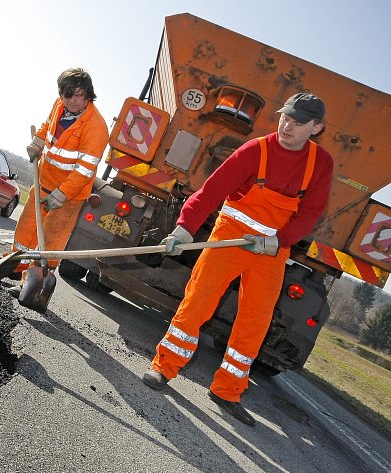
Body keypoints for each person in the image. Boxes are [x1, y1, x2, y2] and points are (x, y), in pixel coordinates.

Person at [142, 92, 334, 426]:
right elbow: (211, 191)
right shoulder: (255, 150)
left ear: (316, 128)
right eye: (285, 117)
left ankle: (228, 390)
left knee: (256, 320)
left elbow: (311, 212)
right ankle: (163, 367)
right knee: (199, 301)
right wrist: (184, 229)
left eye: (298, 122)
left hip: (271, 249)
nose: (287, 125)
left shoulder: (321, 163)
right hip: (231, 235)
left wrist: (278, 242)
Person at [7, 68, 109, 295]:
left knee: (50, 242)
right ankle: (12, 267)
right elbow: (46, 126)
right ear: (61, 94)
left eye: (78, 95)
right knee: (26, 230)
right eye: (67, 95)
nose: (72, 101)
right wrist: (38, 141)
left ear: (88, 95)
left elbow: (84, 170)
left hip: (69, 196)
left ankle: (34, 287)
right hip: (43, 181)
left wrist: (61, 194)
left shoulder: (96, 127)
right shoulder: (58, 105)